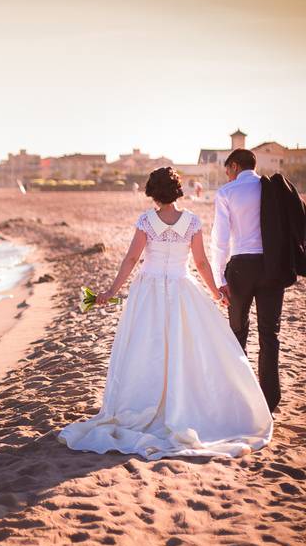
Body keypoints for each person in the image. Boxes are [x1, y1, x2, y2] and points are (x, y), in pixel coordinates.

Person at [57, 167, 272, 460]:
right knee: (185, 347)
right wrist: (215, 292)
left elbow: (132, 259)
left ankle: (148, 402)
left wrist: (111, 290)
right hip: (182, 289)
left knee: (147, 347)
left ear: (152, 192)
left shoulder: (147, 221)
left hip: (149, 291)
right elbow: (201, 263)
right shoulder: (191, 222)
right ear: (177, 191)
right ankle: (183, 403)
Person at [211, 149, 284, 413]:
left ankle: (237, 397)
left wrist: (219, 277)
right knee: (269, 334)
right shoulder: (273, 188)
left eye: (227, 169)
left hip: (241, 267)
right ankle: (268, 402)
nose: (227, 175)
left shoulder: (227, 193)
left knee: (237, 332)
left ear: (234, 165)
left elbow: (219, 240)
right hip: (272, 267)